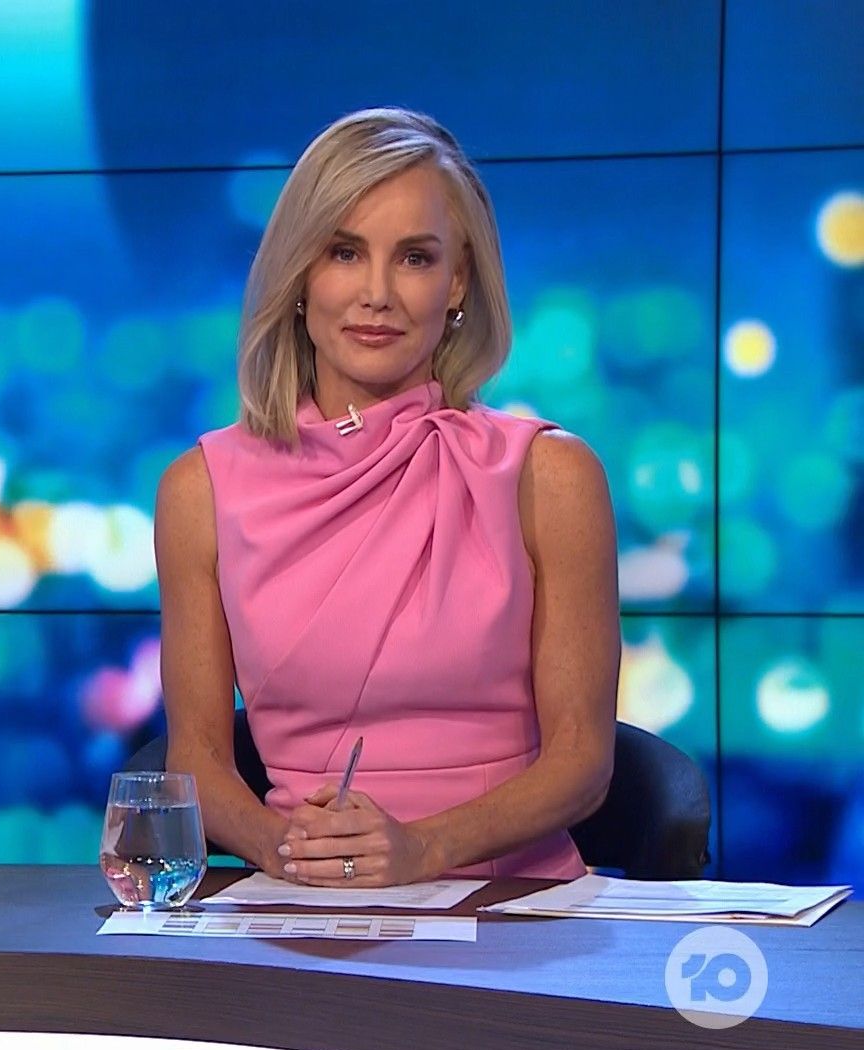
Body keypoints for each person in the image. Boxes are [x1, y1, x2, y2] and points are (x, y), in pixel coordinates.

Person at [155, 108, 618, 885]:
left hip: (509, 904)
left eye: (414, 258)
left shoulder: (551, 478)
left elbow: (583, 762)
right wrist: (294, 853)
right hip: (303, 899)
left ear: (457, 280)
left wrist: (424, 849)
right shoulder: (199, 492)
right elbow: (196, 759)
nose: (376, 294)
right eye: (344, 252)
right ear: (300, 274)